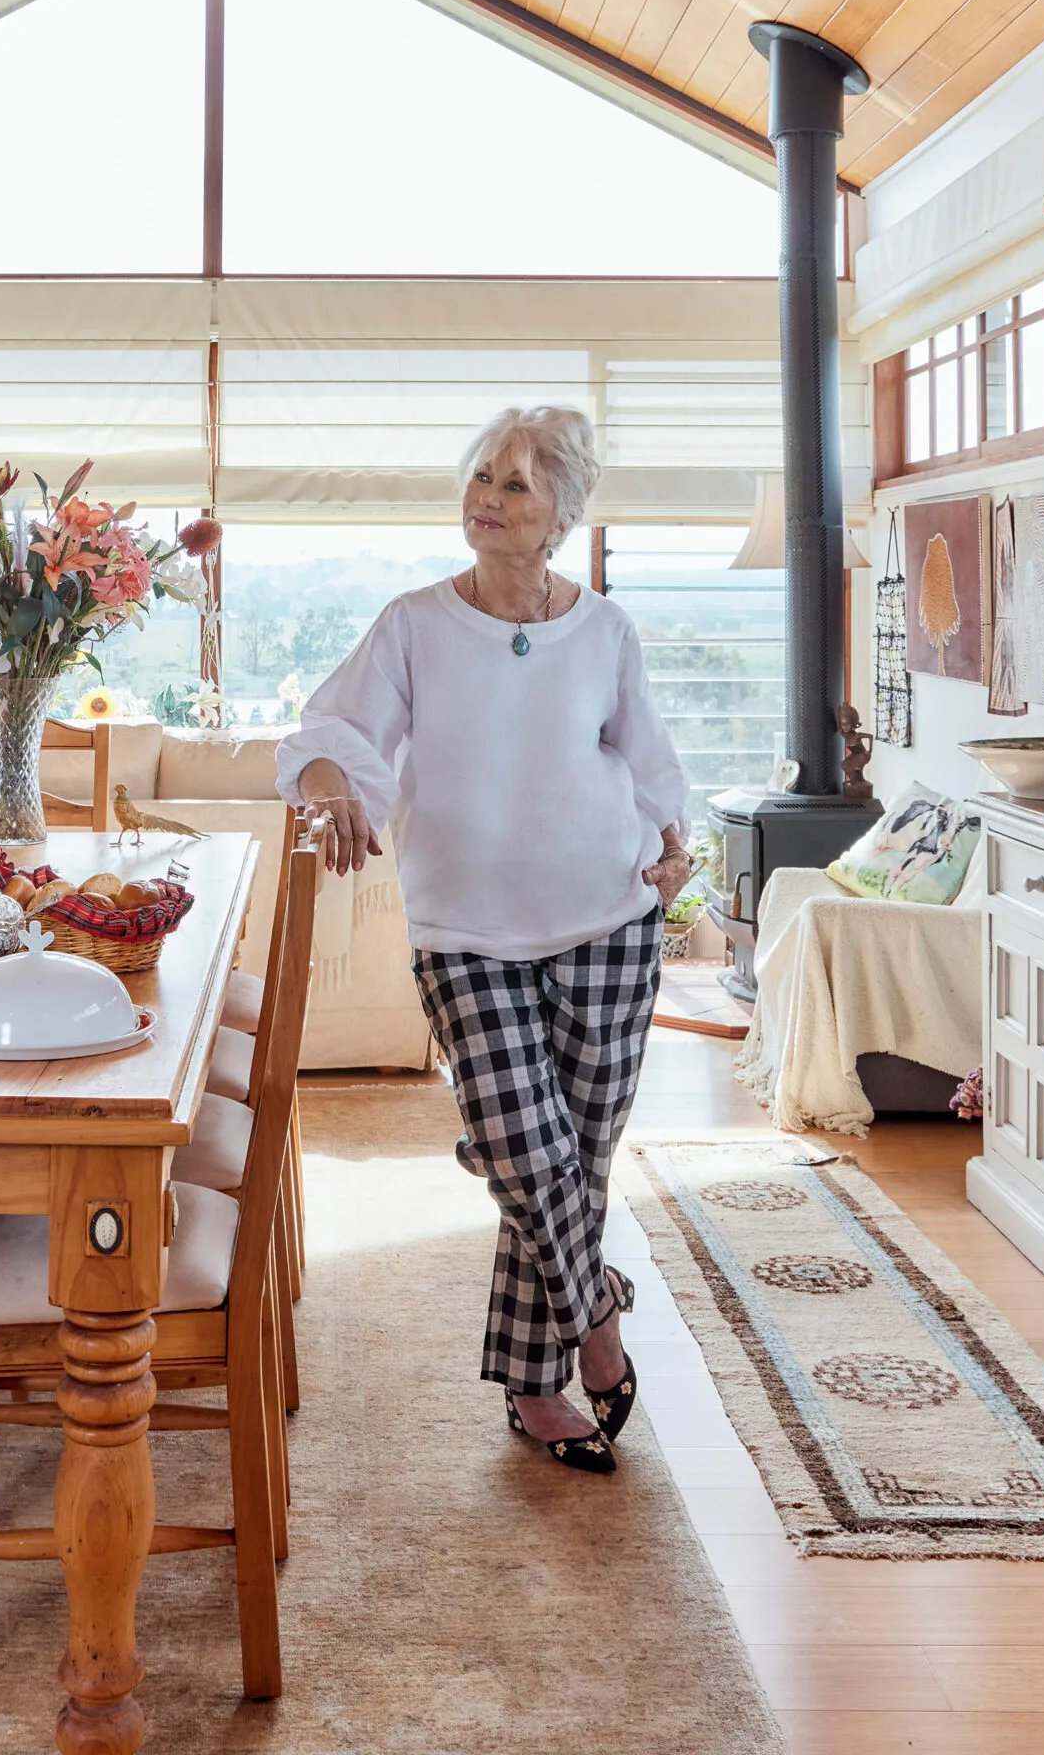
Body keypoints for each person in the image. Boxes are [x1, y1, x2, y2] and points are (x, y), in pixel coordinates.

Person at [277, 406, 692, 1473]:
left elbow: (647, 766)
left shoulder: (605, 631)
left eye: (514, 484)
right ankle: (595, 1313)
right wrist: (327, 786)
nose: (488, 498)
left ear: (560, 514)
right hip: (466, 932)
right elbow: (337, 735)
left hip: (609, 918)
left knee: (576, 1162)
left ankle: (533, 1387)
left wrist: (675, 848)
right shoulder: (417, 623)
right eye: (481, 477)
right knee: (527, 1148)